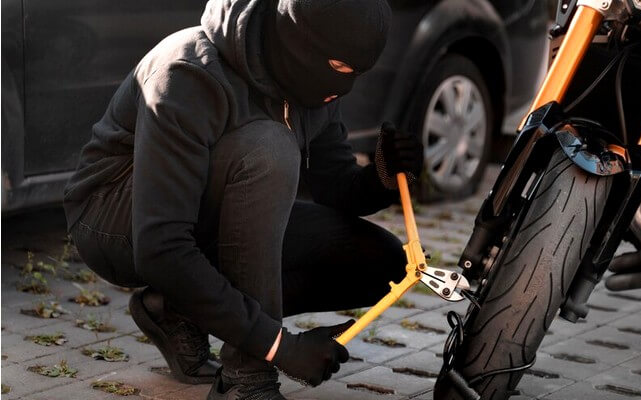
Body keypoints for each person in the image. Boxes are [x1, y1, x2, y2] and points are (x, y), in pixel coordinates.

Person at [62, 0, 424, 398]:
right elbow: (161, 246)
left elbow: (334, 185)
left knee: (381, 265)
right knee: (269, 149)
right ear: (298, 44)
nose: (345, 86)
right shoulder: (188, 74)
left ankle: (177, 308)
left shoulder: (310, 81)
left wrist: (384, 176)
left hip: (207, 215)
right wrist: (278, 346)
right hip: (115, 217)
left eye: (359, 72)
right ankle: (245, 381)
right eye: (340, 68)